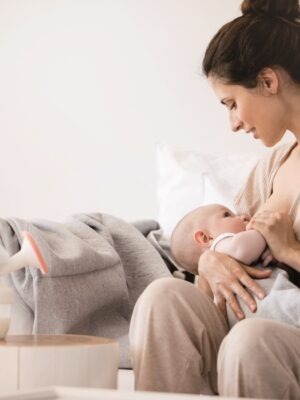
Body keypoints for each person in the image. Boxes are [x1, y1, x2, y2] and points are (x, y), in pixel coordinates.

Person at [129, 0, 300, 398]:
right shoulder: (272, 167)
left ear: (268, 81)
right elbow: (232, 246)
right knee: (164, 296)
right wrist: (210, 261)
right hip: (259, 318)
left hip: (273, 336)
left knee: (251, 341)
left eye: (232, 103)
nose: (234, 123)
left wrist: (290, 251)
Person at [171, 203, 300, 329]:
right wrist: (264, 233)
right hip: (273, 304)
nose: (244, 217)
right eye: (227, 215)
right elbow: (241, 249)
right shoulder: (220, 245)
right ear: (205, 238)